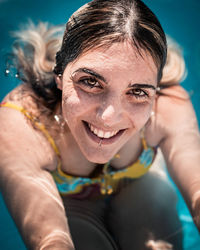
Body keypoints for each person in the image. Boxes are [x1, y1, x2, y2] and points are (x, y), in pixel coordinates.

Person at [0, 0, 200, 249]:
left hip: (141, 186)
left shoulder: (167, 108)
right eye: (90, 82)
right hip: (70, 202)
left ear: (155, 92)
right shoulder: (23, 124)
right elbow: (51, 241)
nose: (108, 117)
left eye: (137, 91)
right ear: (59, 75)